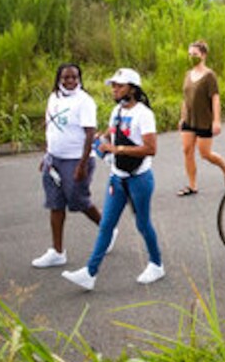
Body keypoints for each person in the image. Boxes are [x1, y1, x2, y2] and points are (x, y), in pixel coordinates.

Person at [62, 68, 164, 290]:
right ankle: (90, 273)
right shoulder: (116, 111)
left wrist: (116, 149)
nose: (114, 89)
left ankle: (156, 264)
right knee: (106, 224)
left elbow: (151, 149)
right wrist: (104, 137)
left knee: (143, 223)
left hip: (139, 179)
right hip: (117, 177)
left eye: (119, 86)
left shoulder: (144, 114)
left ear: (132, 89)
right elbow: (113, 132)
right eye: (113, 85)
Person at [32, 63, 108, 269]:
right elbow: (50, 128)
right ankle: (57, 252)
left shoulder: (84, 101)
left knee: (79, 201)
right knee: (55, 204)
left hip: (76, 159)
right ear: (59, 79)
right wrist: (47, 155)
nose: (70, 81)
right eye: (66, 77)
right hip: (54, 159)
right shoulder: (53, 97)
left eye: (74, 77)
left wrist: (82, 165)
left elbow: (90, 133)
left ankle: (107, 230)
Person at [178, 40, 225, 197]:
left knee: (205, 154)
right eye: (189, 54)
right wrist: (182, 117)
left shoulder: (209, 76)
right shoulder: (188, 74)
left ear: (203, 55)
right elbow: (185, 98)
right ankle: (192, 185)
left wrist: (217, 121)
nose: (191, 57)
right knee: (187, 150)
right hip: (189, 119)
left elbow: (215, 98)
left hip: (204, 120)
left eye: (195, 54)